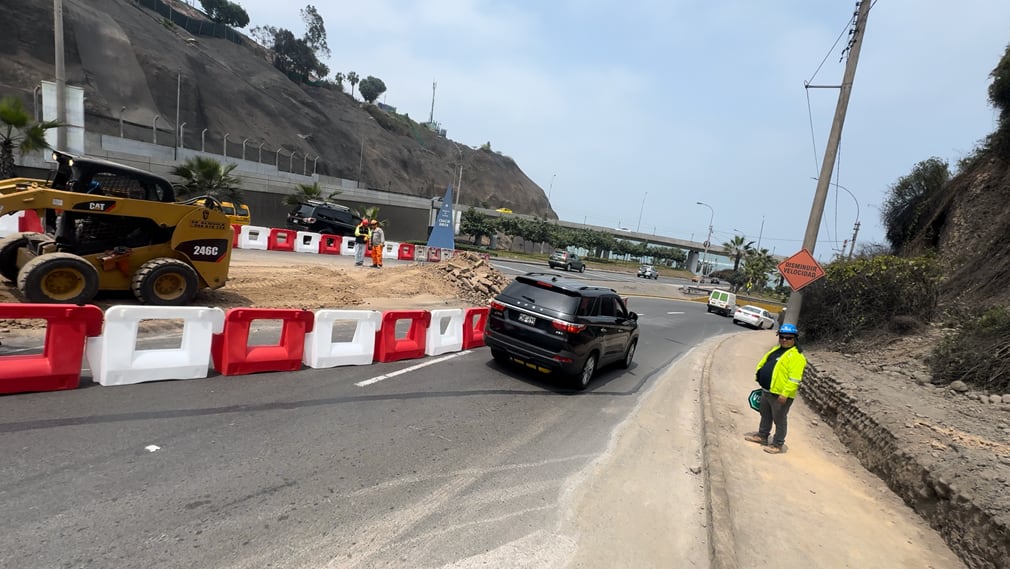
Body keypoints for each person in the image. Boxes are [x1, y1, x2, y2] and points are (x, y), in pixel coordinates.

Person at [744, 323, 807, 454]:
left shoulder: (797, 357)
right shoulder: (776, 350)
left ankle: (778, 444)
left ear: (795, 339)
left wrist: (785, 394)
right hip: (767, 391)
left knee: (780, 419)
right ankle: (762, 435)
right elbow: (766, 363)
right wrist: (760, 376)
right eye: (782, 337)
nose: (784, 340)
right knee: (765, 415)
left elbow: (794, 379)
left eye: (788, 338)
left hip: (780, 395)